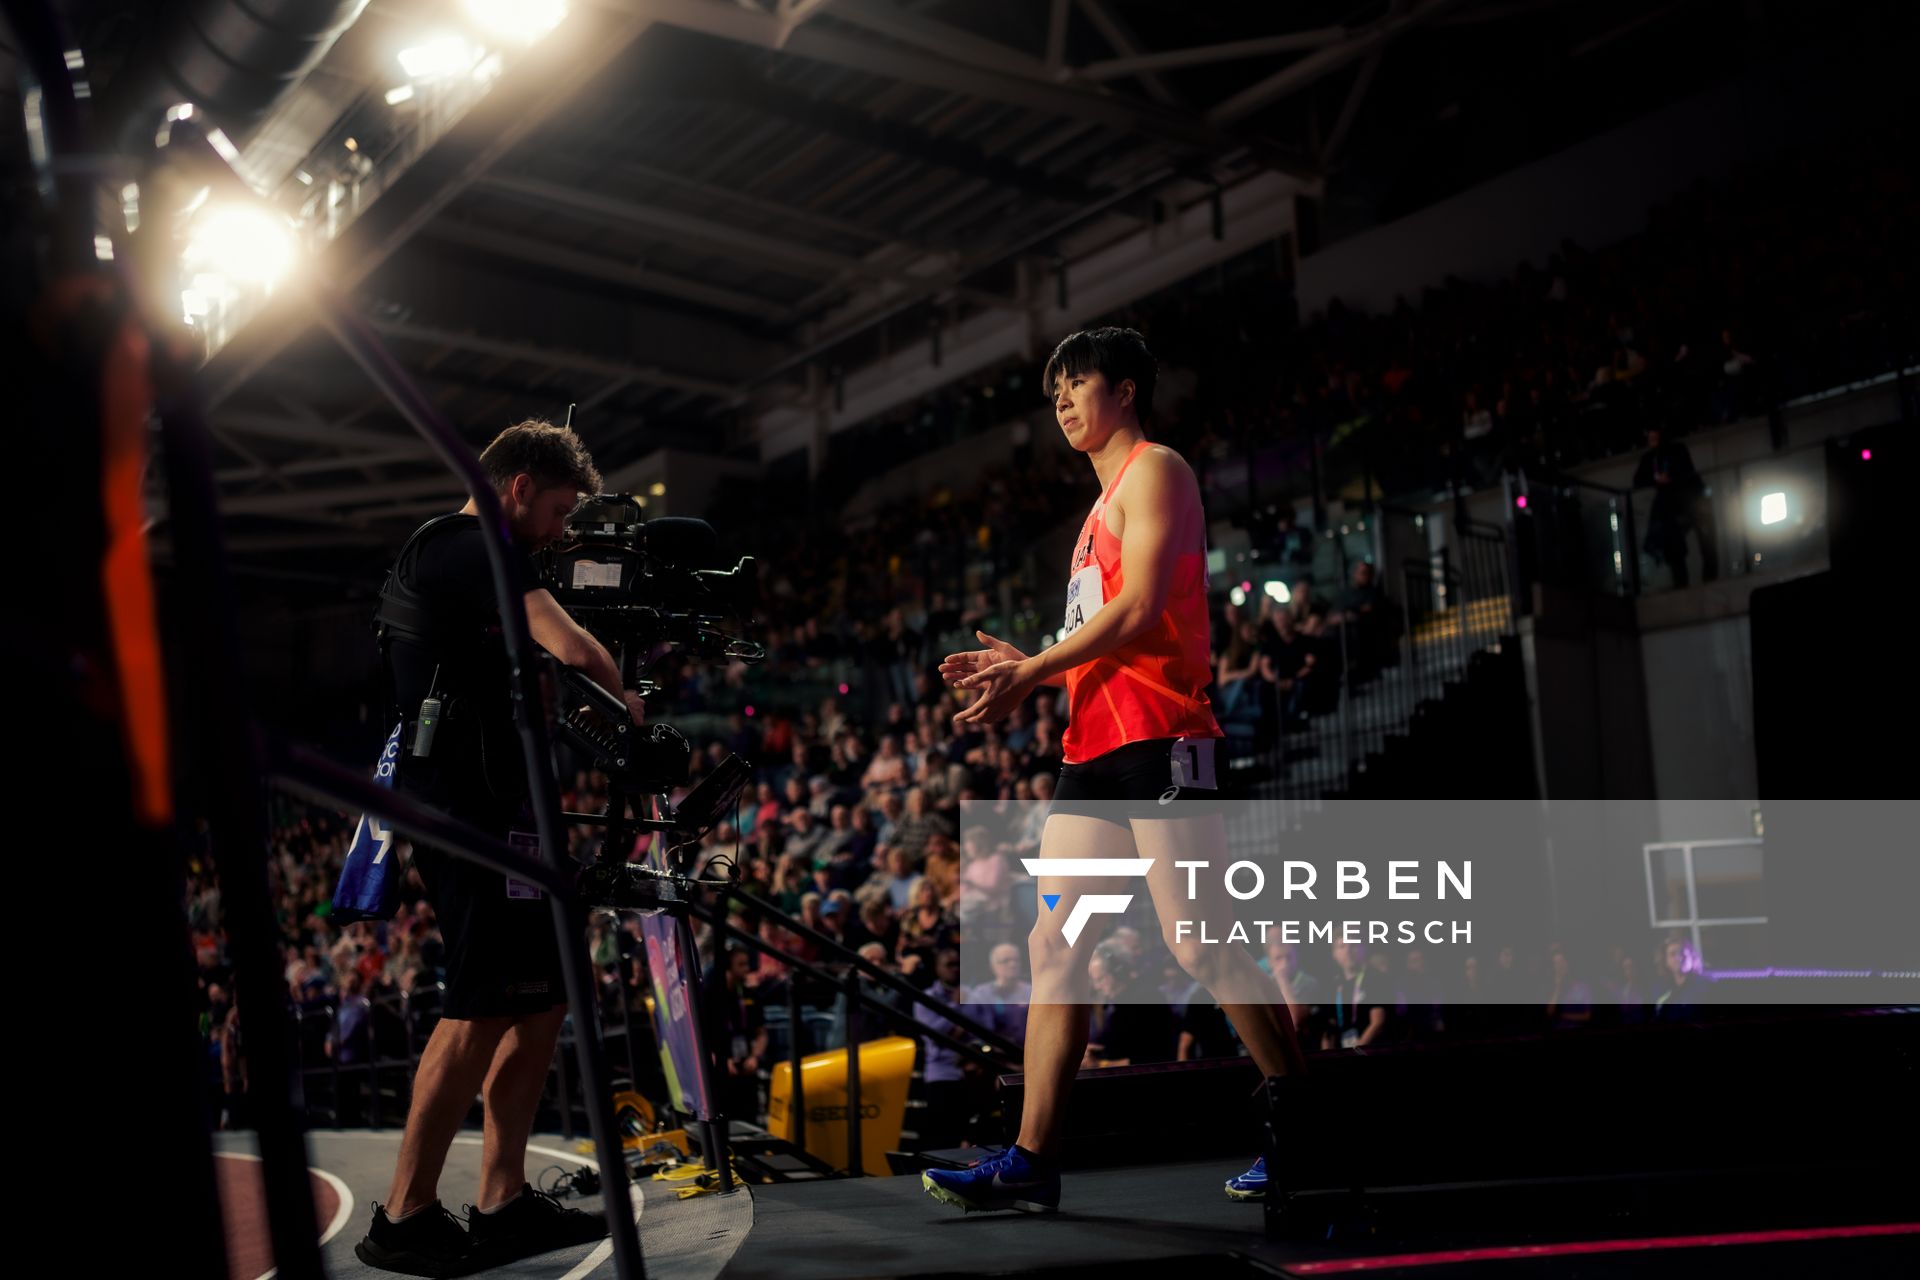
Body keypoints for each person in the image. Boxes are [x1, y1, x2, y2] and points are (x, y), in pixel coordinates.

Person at [922, 327, 1307, 1215]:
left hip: (1164, 741)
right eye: (1054, 390)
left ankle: (1301, 1121)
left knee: (1199, 939)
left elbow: (1138, 610)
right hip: (1093, 754)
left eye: (1078, 383)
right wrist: (1031, 662)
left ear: (1126, 390)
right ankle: (1031, 1157)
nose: (1062, 401)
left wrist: (1034, 671)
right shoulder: (1093, 516)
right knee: (1054, 945)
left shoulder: (1158, 471)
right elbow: (1105, 629)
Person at [355, 421, 634, 1275]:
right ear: (517, 489)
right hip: (461, 816)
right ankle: (403, 1216)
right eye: (554, 510)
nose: (557, 531)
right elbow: (576, 649)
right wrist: (636, 719)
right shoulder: (471, 544)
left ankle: (503, 1200)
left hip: (492, 809)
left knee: (544, 997)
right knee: (478, 1003)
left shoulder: (476, 556)